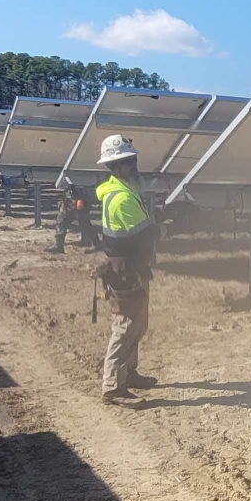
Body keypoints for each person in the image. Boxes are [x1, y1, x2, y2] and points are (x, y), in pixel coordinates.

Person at [92, 134, 159, 404]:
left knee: (138, 325)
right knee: (126, 327)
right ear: (114, 167)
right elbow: (145, 234)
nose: (133, 165)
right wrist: (166, 227)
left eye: (133, 160)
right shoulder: (121, 199)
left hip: (133, 268)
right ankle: (112, 386)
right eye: (126, 162)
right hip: (126, 271)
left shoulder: (122, 190)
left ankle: (129, 373)